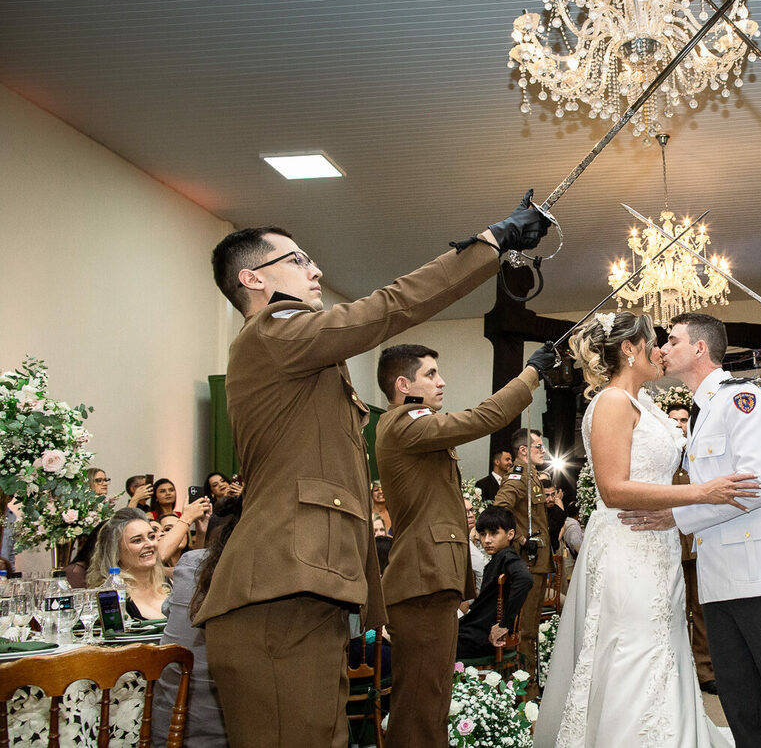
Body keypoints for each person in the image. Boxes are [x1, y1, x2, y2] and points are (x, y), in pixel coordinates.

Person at [193, 193, 549, 748]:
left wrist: (371, 601)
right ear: (252, 280)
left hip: (305, 587)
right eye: (296, 260)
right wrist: (491, 243)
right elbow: (389, 306)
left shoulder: (298, 357)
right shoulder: (274, 332)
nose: (314, 270)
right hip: (277, 591)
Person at [535, 310, 761, 747]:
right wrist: (702, 493)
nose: (660, 349)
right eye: (654, 340)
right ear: (629, 348)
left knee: (663, 644)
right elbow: (614, 488)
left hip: (659, 547)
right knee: (632, 650)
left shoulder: (647, 402)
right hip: (627, 545)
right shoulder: (612, 402)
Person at [617, 312, 761, 748]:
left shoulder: (743, 399)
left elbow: (756, 487)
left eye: (672, 340)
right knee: (742, 707)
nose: (662, 348)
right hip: (719, 582)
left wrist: (677, 517)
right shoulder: (702, 412)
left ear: (699, 349)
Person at [374, 341, 551, 748]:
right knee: (420, 701)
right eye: (430, 374)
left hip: (430, 575)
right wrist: (530, 376)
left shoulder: (413, 425)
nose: (441, 382)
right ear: (404, 384)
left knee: (432, 696)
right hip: (421, 578)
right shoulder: (406, 422)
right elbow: (481, 418)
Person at [151, 496, 243, 748]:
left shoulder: (190, 563)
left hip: (166, 728)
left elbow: (171, 611)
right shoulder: (251, 570)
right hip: (225, 731)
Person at [493, 426, 552, 673]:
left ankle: (529, 680)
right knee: (524, 630)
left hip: (538, 561)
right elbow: (500, 507)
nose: (543, 450)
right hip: (527, 560)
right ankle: (522, 687)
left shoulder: (532, 476)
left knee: (532, 628)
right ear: (524, 450)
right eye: (539, 446)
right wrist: (518, 537)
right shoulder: (518, 477)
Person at [668, 402, 717, 693]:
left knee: (700, 608)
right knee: (674, 607)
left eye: (683, 419)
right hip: (670, 540)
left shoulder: (699, 454)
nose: (679, 425)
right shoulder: (663, 455)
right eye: (673, 420)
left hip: (698, 540)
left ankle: (705, 670)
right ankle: (678, 672)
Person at [456, 506, 533, 661]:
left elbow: (525, 579)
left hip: (482, 638)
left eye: (494, 533)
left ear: (510, 534)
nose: (487, 540)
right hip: (477, 632)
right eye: (483, 534)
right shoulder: (499, 557)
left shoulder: (507, 556)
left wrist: (504, 624)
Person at [89, 508, 170, 620]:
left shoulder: (170, 586)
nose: (149, 544)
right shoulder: (111, 597)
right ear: (115, 552)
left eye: (151, 536)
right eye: (137, 540)